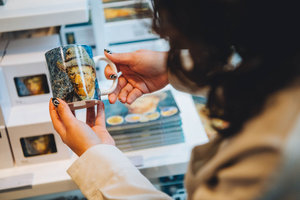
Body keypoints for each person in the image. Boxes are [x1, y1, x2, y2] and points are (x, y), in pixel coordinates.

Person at [49, 0, 300, 199]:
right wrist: (173, 68)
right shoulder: (284, 59)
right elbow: (264, 78)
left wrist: (96, 156)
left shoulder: (272, 151)